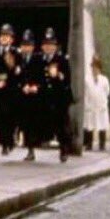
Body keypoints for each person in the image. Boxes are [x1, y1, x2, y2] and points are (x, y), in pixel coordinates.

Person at [39, 27, 72, 162]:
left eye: (51, 45)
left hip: (59, 97)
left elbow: (67, 78)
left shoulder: (62, 60)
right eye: (46, 45)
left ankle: (64, 148)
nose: (48, 47)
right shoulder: (39, 59)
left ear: (55, 47)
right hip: (45, 96)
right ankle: (42, 140)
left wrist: (58, 75)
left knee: (62, 124)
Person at [15, 29, 44, 161]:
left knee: (32, 123)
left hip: (35, 96)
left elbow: (42, 77)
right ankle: (26, 145)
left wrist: (35, 87)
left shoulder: (38, 59)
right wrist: (22, 86)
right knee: (24, 122)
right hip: (22, 96)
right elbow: (16, 77)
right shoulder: (19, 60)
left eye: (28, 45)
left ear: (33, 46)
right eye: (24, 45)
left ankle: (31, 148)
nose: (26, 48)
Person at [0, 23, 18, 155]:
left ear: (11, 39)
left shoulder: (14, 53)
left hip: (9, 90)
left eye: (7, 36)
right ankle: (3, 142)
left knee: (8, 116)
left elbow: (17, 72)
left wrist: (6, 80)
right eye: (2, 35)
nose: (4, 38)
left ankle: (8, 142)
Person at [83, 55, 110, 151]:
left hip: (100, 105)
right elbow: (85, 92)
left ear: (100, 69)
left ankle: (102, 144)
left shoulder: (104, 79)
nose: (94, 70)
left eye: (96, 68)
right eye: (93, 67)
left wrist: (103, 101)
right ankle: (88, 144)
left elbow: (107, 91)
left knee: (102, 125)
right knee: (89, 125)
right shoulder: (86, 79)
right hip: (90, 105)